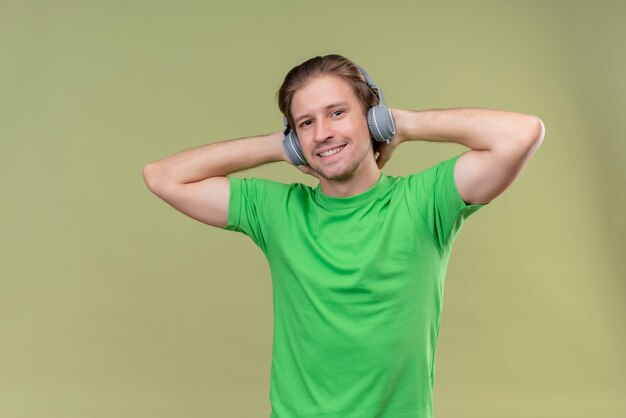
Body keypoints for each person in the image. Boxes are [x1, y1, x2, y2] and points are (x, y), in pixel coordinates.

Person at [143, 54, 545, 418]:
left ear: (371, 118)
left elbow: (521, 134)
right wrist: (279, 147)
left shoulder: (424, 203)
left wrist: (403, 124)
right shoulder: (276, 212)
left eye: (336, 113)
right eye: (306, 123)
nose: (321, 133)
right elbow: (162, 177)